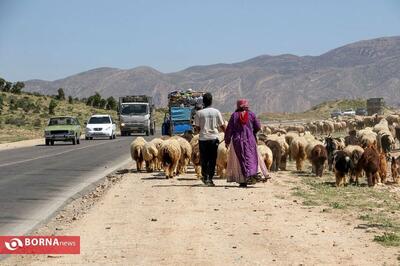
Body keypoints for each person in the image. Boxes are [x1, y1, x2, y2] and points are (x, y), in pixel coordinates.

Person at [224, 99, 267, 187]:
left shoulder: (234, 115)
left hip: (237, 141)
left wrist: (227, 141)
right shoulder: (251, 114)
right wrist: (252, 132)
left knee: (240, 159)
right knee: (251, 157)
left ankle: (243, 180)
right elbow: (258, 126)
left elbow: (229, 130)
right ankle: (251, 175)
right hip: (250, 140)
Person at [194, 93, 225, 186]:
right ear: (211, 101)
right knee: (212, 159)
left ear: (203, 102)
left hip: (203, 139)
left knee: (204, 158)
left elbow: (197, 129)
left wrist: (201, 130)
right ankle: (210, 179)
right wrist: (227, 134)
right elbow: (222, 125)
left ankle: (204, 176)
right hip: (213, 138)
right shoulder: (216, 112)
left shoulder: (199, 113)